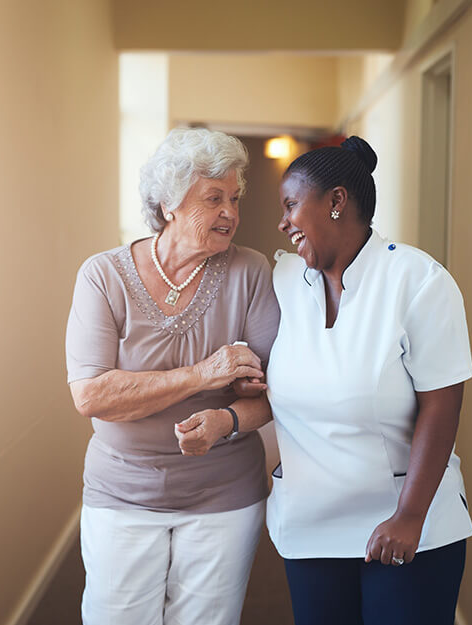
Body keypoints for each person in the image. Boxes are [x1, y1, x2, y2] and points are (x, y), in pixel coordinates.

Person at [65, 127, 280, 625]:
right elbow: (92, 395)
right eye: (213, 198)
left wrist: (225, 420)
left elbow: (275, 393)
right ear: (168, 205)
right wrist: (206, 374)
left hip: (225, 494)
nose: (230, 212)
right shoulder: (104, 276)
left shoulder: (250, 272)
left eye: (234, 197)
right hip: (121, 492)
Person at [266, 136, 472, 625]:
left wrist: (409, 516)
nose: (282, 222)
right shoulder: (283, 284)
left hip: (404, 527)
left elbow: (442, 406)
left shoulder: (419, 281)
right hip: (310, 527)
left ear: (337, 201)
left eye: (291, 205)